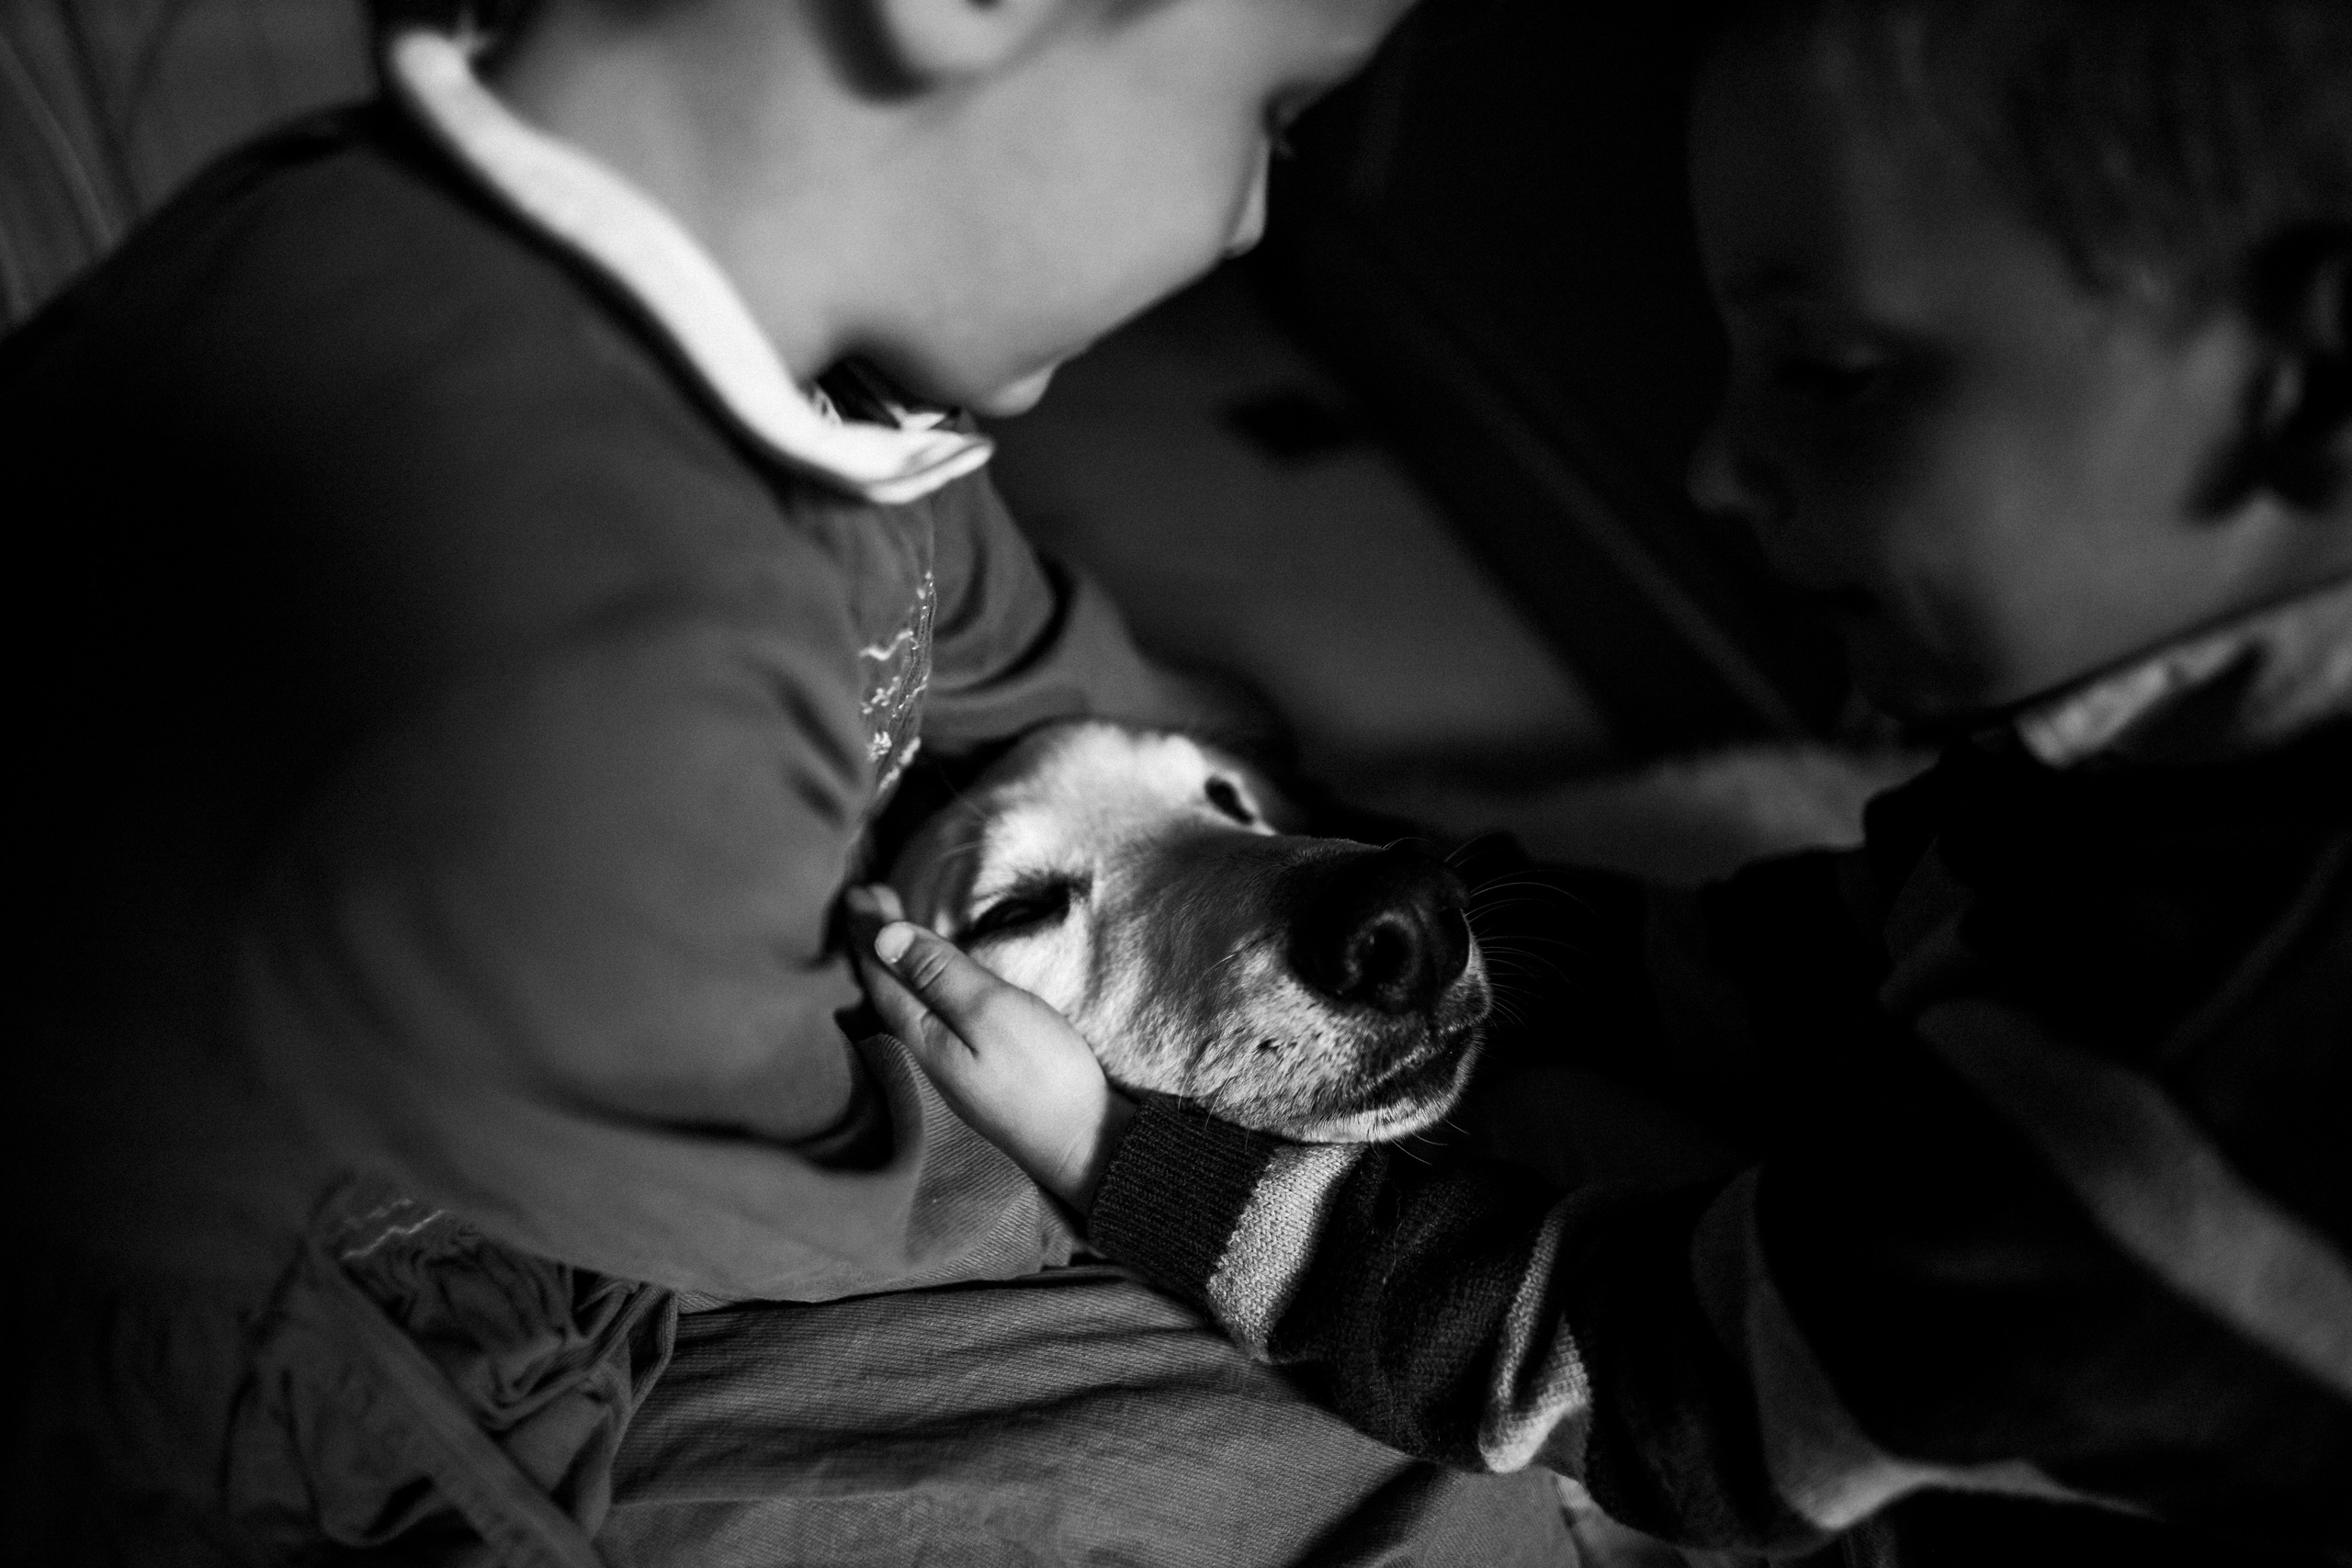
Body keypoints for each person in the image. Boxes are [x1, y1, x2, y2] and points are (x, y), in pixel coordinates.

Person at [4, 1, 1574, 1562]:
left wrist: (1332, 857)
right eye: (1268, 116)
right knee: (1427, 1494)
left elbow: (1052, 660)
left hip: (580, 1150)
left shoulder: (780, 390)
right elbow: (828, 1191)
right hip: (317, 1382)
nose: (1248, 220)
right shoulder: (566, 623)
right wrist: (1205, 1189)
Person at [856, 1, 2352, 1562]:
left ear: (2311, 386)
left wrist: (1123, 1157)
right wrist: (1463, 906)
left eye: (1830, 370)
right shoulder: (2133, 762)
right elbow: (1828, 948)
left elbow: (1654, 1385)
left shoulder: (2199, 1070)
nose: (1714, 464)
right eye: (1033, 899)